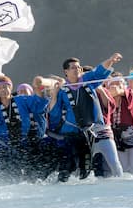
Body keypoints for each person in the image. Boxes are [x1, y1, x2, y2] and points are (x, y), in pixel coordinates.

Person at [47, 53, 122, 181]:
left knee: (86, 168)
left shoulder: (88, 80)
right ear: (66, 71)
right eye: (73, 68)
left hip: (87, 133)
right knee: (68, 166)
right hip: (70, 133)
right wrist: (54, 93)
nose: (77, 70)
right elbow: (54, 113)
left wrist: (110, 60)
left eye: (79, 67)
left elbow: (99, 72)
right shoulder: (62, 90)